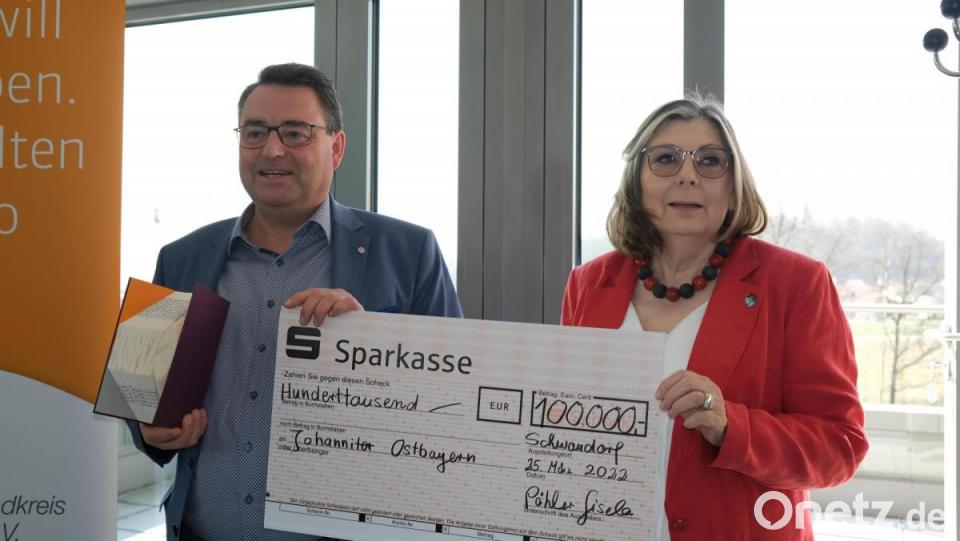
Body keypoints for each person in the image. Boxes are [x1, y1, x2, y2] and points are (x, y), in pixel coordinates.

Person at [128, 63, 462, 541]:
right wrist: (151, 432)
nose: (272, 149)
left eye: (295, 133)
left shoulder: (410, 253)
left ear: (336, 148)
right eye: (255, 133)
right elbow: (145, 404)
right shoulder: (180, 258)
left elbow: (452, 408)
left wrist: (372, 345)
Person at [561, 96, 868, 539]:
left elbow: (840, 449)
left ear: (734, 185)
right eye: (666, 159)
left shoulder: (796, 282)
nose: (687, 175)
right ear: (637, 180)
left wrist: (731, 426)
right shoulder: (588, 283)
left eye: (709, 161)